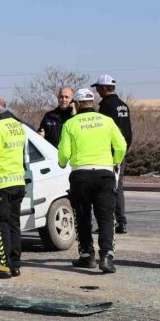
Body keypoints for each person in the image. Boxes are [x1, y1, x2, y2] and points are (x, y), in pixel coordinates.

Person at [58, 88, 127, 273]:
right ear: (93, 103)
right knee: (106, 217)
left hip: (81, 175)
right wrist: (114, 162)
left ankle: (87, 256)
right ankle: (106, 257)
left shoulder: (70, 124)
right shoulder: (107, 121)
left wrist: (62, 162)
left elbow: (64, 153)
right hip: (104, 174)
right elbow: (121, 146)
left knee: (82, 217)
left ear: (77, 104)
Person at [0, 97, 27, 279]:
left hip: (1, 184)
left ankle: (3, 267)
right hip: (18, 182)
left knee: (0, 226)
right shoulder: (18, 125)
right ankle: (14, 265)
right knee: (14, 224)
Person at [91, 74, 133, 234]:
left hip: (109, 154)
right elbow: (128, 132)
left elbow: (103, 132)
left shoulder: (106, 106)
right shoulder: (123, 105)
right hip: (121, 151)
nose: (97, 91)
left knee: (108, 189)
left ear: (104, 88)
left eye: (98, 88)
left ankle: (110, 223)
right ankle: (121, 222)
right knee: (118, 187)